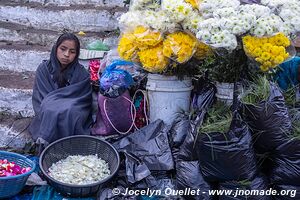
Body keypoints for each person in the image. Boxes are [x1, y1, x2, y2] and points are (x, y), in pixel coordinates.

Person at [29, 33, 93, 145]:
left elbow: (83, 100)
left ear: (76, 54)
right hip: (48, 108)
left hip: (72, 108)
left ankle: (67, 148)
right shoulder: (44, 69)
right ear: (56, 48)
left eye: (72, 52)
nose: (66, 54)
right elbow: (41, 97)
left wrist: (63, 106)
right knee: (50, 110)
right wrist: (57, 106)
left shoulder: (81, 73)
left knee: (71, 111)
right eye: (63, 49)